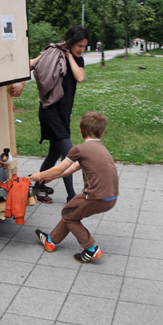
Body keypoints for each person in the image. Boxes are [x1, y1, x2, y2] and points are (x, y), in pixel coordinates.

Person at [30, 111, 118, 263]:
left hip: (95, 196)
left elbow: (59, 168)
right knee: (72, 211)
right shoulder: (100, 148)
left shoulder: (79, 149)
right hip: (110, 197)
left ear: (80, 130)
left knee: (68, 214)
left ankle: (91, 248)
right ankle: (51, 240)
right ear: (102, 133)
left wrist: (39, 176)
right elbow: (71, 168)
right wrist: (52, 177)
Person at [30, 26, 88, 203]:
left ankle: (37, 188)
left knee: (54, 155)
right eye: (79, 45)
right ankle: (71, 196)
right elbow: (32, 64)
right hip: (50, 111)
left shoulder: (78, 60)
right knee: (69, 153)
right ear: (70, 42)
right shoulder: (53, 53)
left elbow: (80, 77)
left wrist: (70, 55)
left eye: (84, 46)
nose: (82, 49)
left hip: (63, 114)